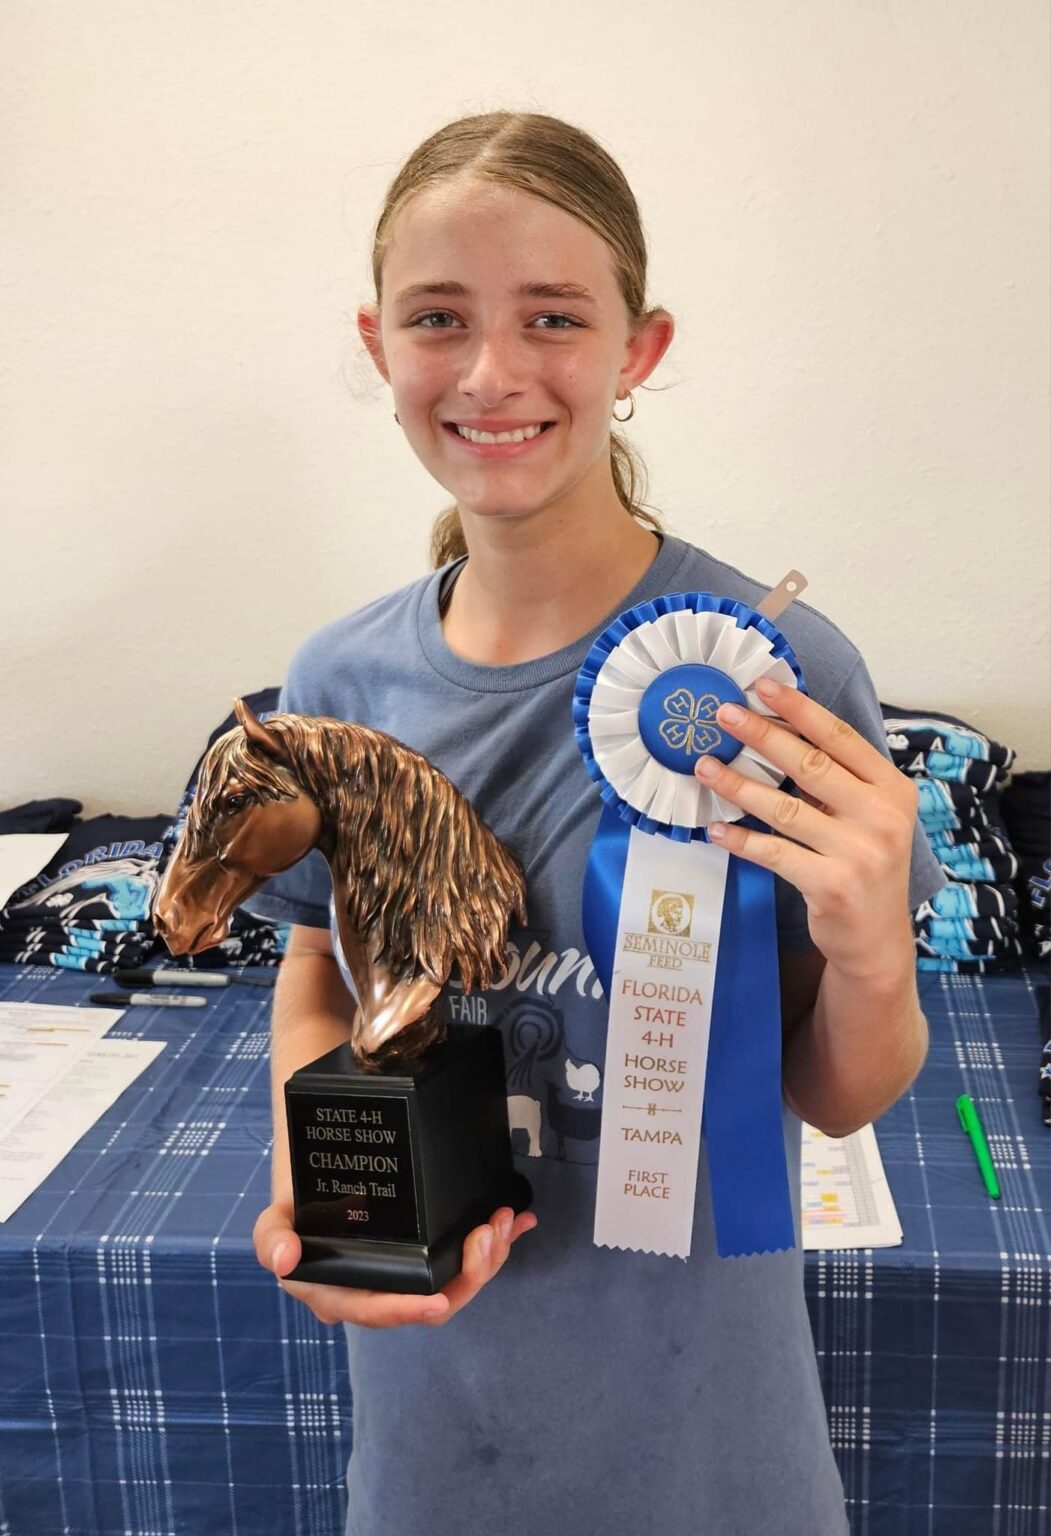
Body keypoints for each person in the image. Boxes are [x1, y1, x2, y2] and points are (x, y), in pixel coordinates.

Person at [245, 109, 946, 1536]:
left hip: (710, 1451)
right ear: (380, 347)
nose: (492, 372)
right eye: (438, 318)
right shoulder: (335, 685)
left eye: (552, 317)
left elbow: (837, 1091)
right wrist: (317, 1190)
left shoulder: (776, 677)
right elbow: (318, 965)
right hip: (435, 1449)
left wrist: (874, 956)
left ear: (640, 350)